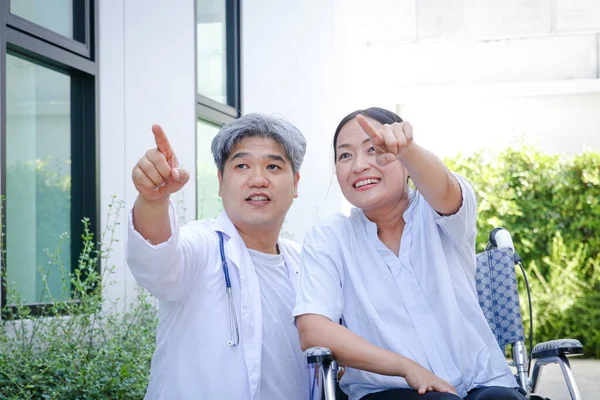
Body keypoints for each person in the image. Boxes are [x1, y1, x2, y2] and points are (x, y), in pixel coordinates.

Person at [293, 107, 525, 400]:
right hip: (388, 390)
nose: (359, 165)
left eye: (376, 150)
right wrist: (406, 367)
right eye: (345, 155)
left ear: (405, 163)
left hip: (483, 381)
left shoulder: (441, 213)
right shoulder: (329, 238)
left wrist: (409, 149)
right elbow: (313, 331)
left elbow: (445, 189)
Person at [126, 113, 318, 399]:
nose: (258, 179)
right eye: (242, 165)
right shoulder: (202, 246)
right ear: (220, 180)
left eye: (273, 166)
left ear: (296, 182)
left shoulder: (307, 263)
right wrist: (153, 201)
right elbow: (157, 264)